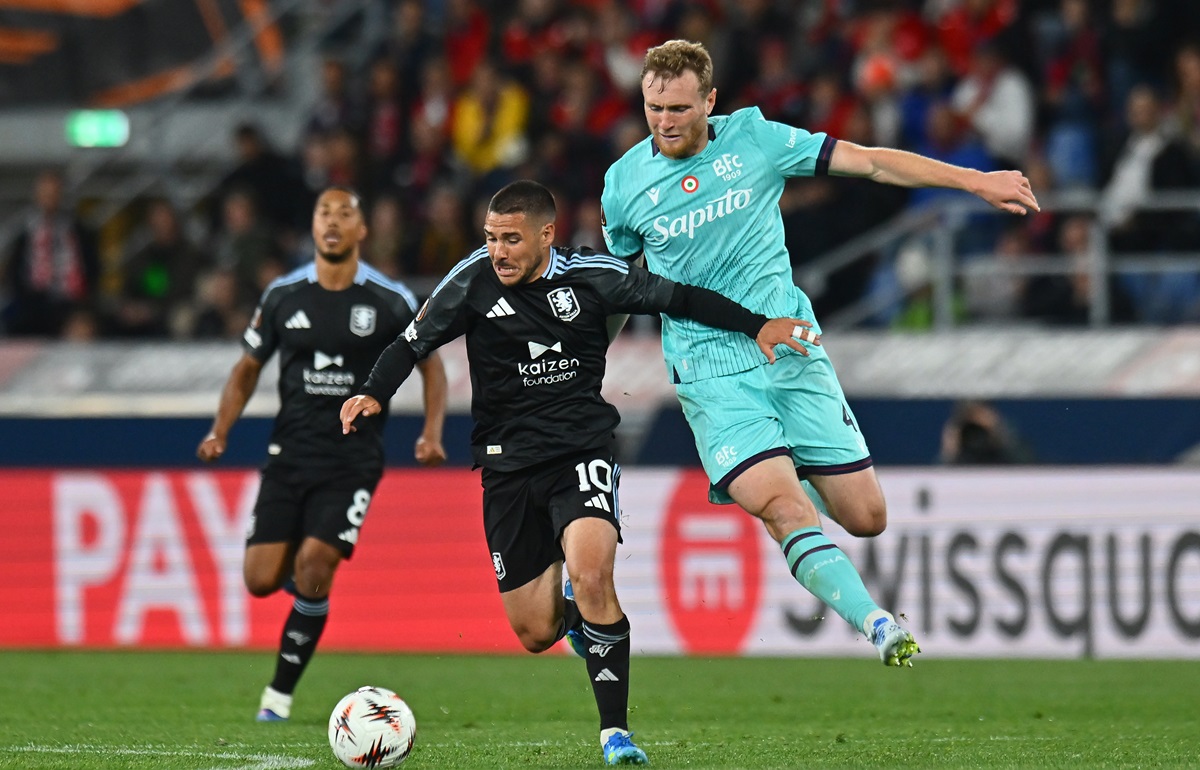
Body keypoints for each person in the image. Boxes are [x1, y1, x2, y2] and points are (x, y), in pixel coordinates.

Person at [340, 180, 817, 766]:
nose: (498, 252)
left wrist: (757, 325)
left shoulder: (593, 277)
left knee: (592, 577)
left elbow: (681, 299)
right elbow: (410, 343)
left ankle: (615, 734)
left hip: (579, 452)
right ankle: (575, 619)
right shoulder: (471, 281)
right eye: (490, 238)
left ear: (546, 235)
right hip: (506, 468)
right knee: (534, 632)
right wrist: (372, 392)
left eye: (511, 239)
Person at [600, 40, 1040, 667]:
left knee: (866, 516)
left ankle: (790, 464)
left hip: (791, 349)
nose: (663, 122)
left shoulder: (755, 140)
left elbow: (870, 163)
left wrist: (974, 181)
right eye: (653, 108)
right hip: (711, 373)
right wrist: (590, 360)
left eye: (678, 108)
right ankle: (878, 624)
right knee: (787, 510)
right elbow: (623, 285)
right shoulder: (623, 184)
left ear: (710, 101)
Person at [197, 187, 447, 721]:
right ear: (313, 227)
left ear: (362, 230)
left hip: (352, 459)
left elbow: (431, 364)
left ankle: (277, 697)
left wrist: (431, 432)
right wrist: (220, 430)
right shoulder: (282, 295)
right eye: (323, 214)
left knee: (314, 564)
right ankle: (308, 590)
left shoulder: (390, 298)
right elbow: (247, 369)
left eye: (345, 214)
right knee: (259, 580)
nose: (333, 222)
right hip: (289, 455)